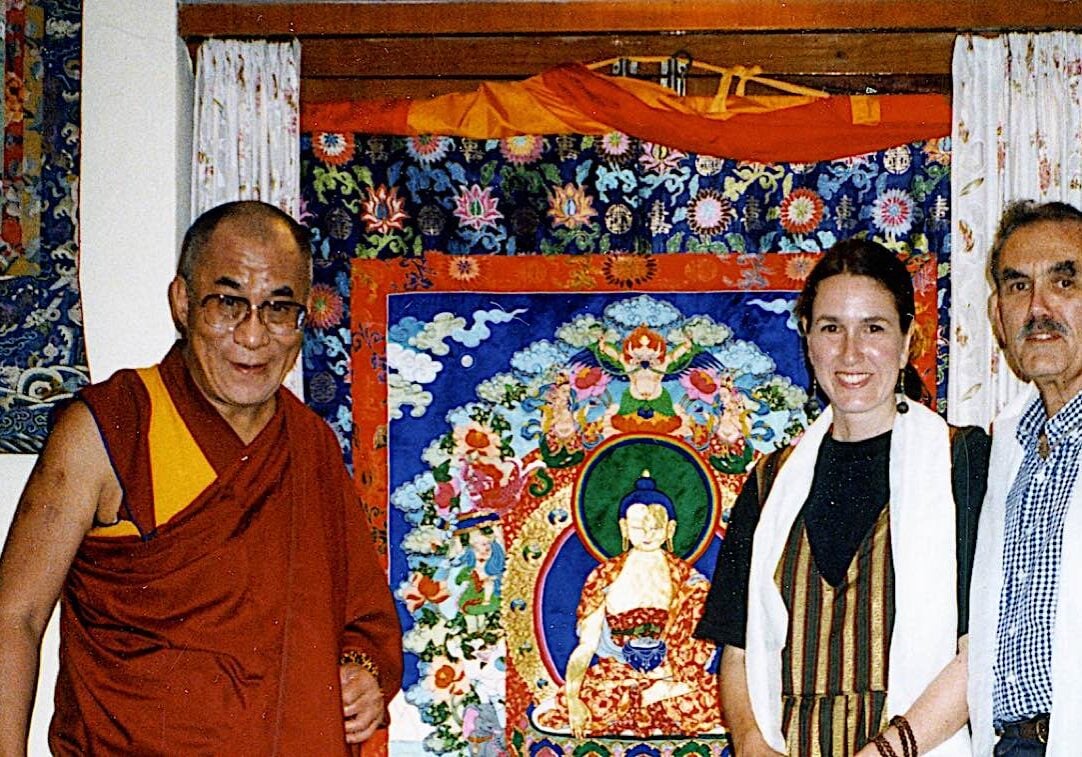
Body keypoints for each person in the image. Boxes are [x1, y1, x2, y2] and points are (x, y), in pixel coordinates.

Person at [0, 201, 402, 755]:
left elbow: (363, 618)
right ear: (183, 303)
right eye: (229, 303)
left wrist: (363, 673)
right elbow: (14, 617)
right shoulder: (111, 427)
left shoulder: (310, 445)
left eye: (278, 309)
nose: (254, 336)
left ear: (303, 320)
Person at [695, 239, 990, 756]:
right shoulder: (770, 482)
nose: (851, 353)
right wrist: (750, 743)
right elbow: (737, 650)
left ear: (906, 341)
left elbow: (981, 650)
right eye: (831, 328)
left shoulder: (961, 462)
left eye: (873, 328)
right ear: (808, 340)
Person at [969, 200, 1082, 755]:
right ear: (997, 316)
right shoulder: (1001, 449)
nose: (1038, 307)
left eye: (1064, 281)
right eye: (1017, 287)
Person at [533, 470, 720, 738]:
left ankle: (648, 699)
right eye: (637, 527)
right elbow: (587, 645)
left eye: (655, 527)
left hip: (670, 679)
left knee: (707, 702)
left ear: (670, 529)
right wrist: (573, 697)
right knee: (590, 704)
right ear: (623, 527)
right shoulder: (604, 577)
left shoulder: (690, 581)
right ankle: (640, 700)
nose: (647, 534)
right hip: (618, 676)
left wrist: (664, 677)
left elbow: (699, 648)